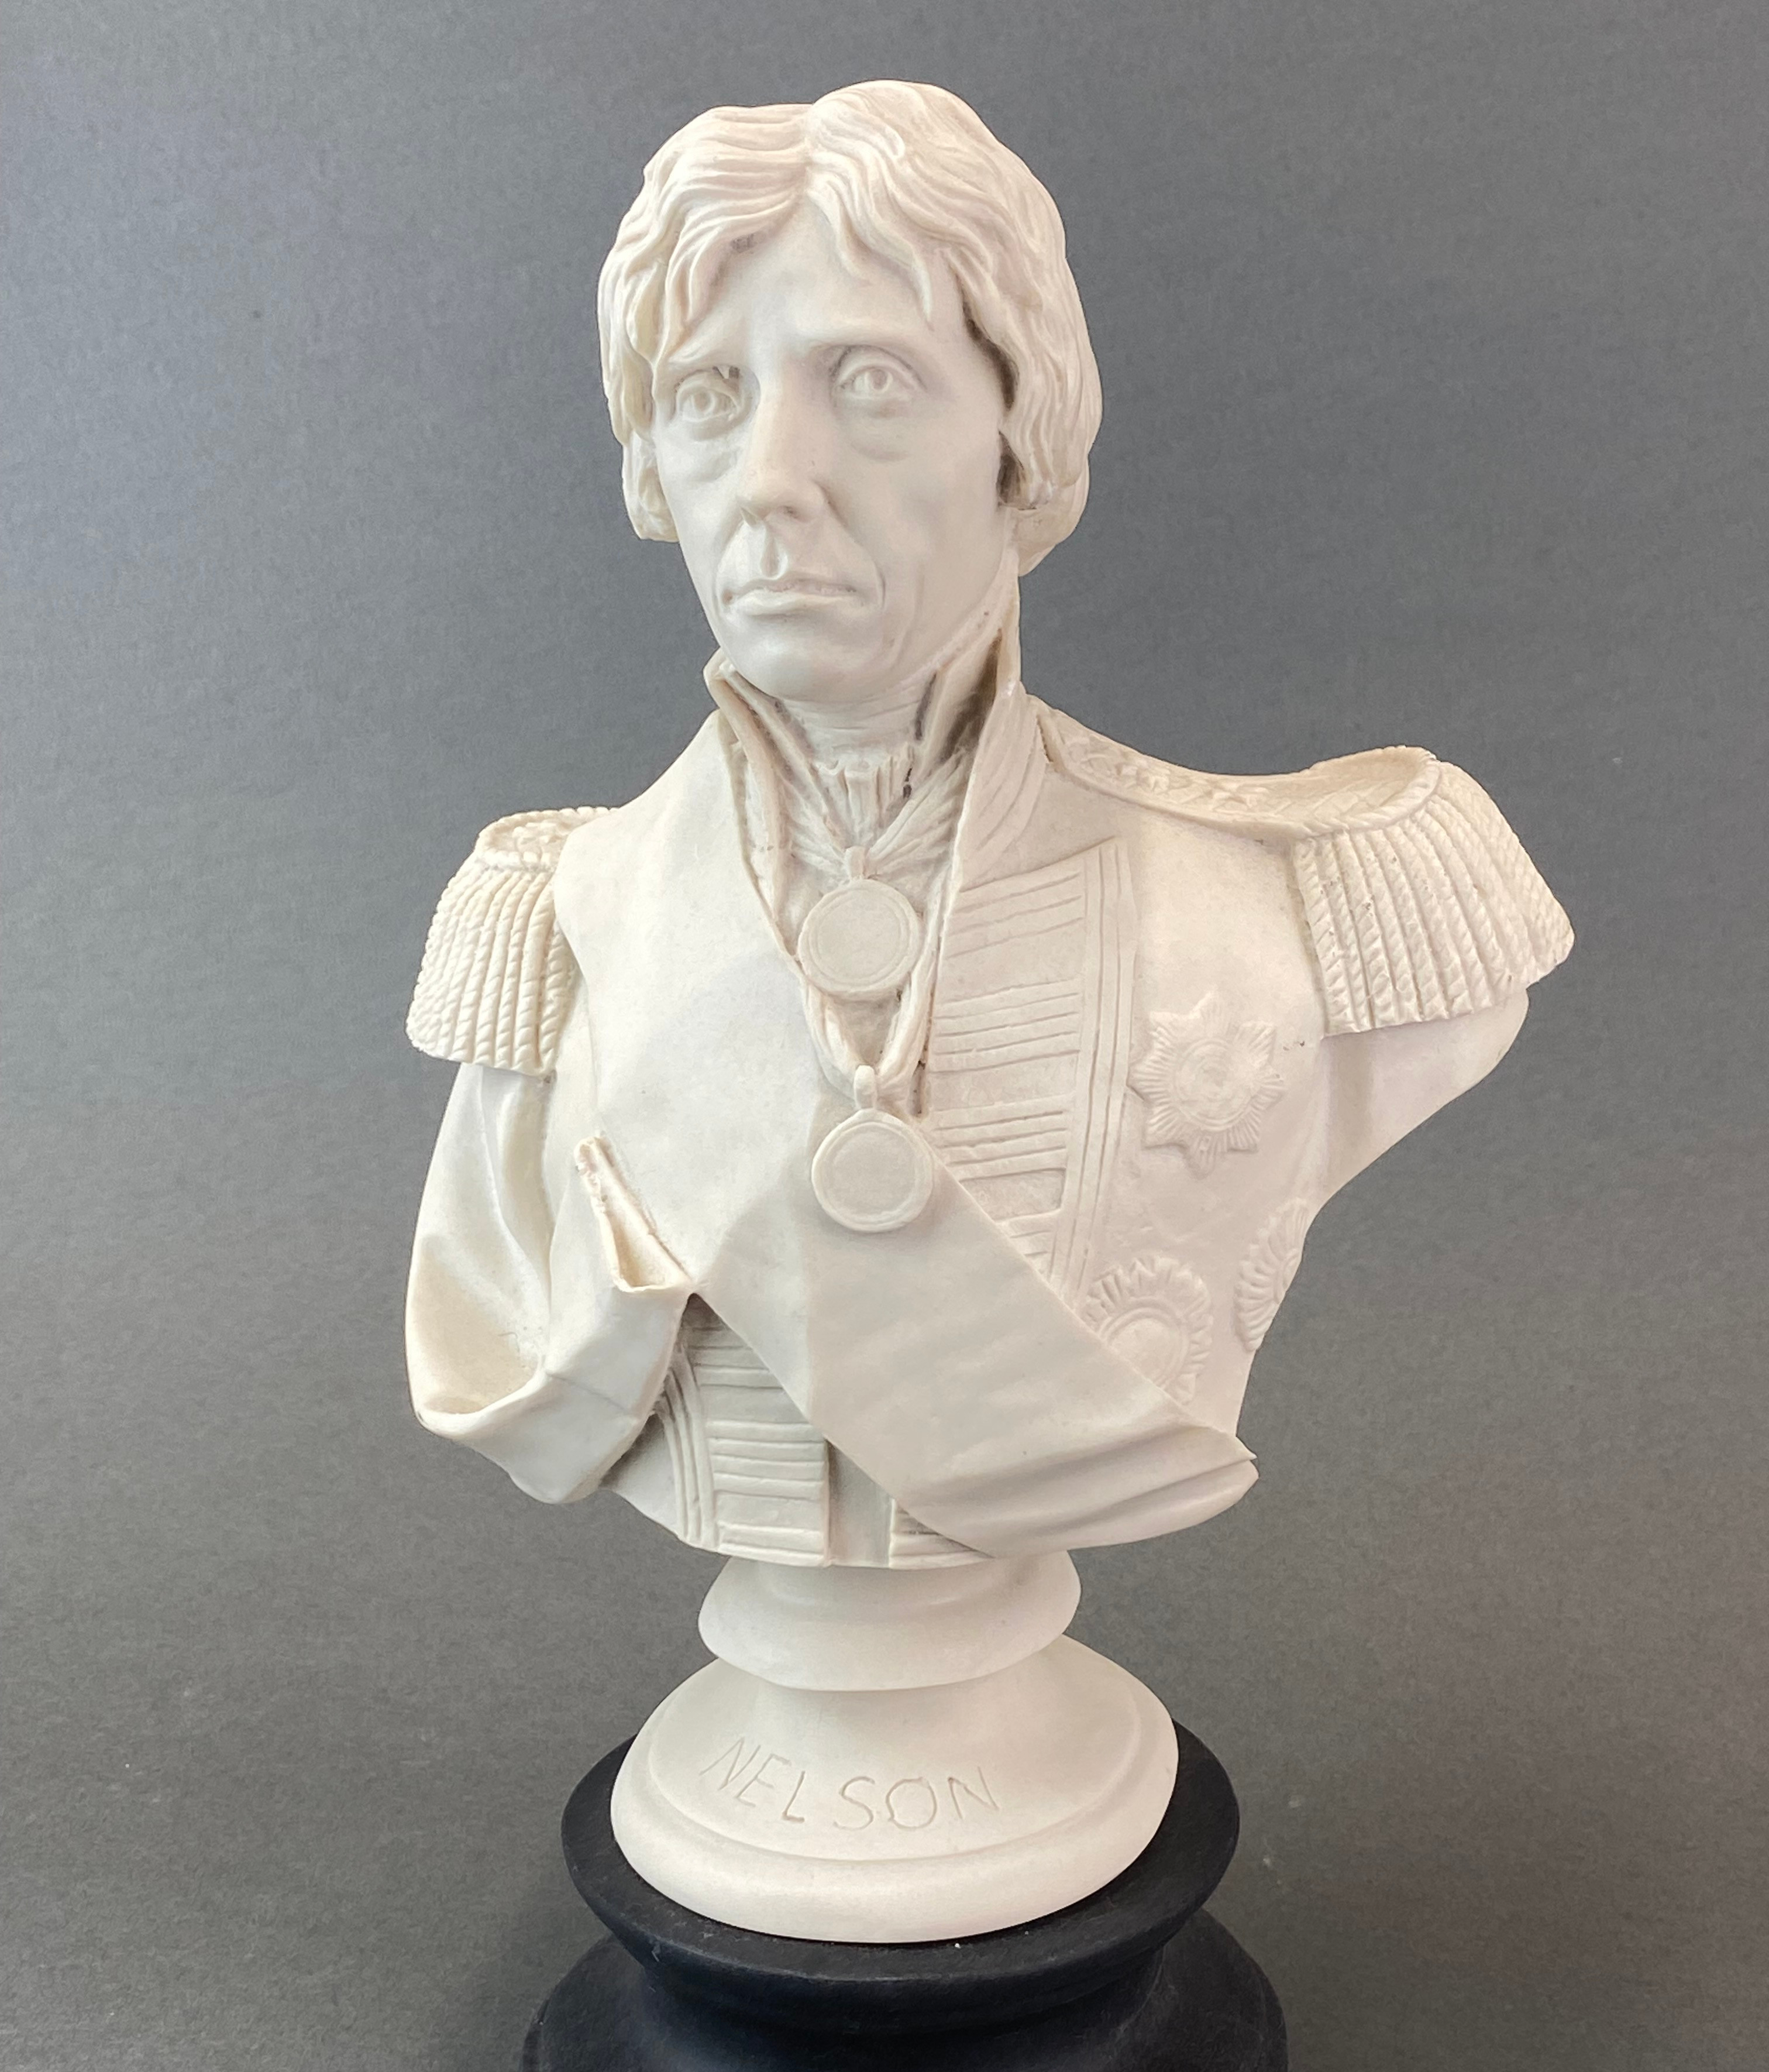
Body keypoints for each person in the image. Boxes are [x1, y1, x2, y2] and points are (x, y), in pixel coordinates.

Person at [404, 79, 1571, 1571]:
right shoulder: (562, 920)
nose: (772, 480)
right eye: (706, 396)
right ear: (650, 470)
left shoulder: (1302, 900)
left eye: (871, 384)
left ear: (1023, 436)